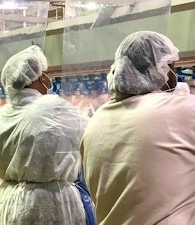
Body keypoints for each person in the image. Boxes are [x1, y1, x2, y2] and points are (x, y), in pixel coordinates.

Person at [80, 31, 195, 225]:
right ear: (160, 69)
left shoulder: (97, 120)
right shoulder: (182, 110)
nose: (175, 73)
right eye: (172, 65)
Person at [0, 45, 90, 225]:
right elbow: (91, 132)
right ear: (34, 78)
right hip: (50, 204)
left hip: (9, 203)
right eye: (44, 73)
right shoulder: (51, 107)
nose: (48, 79)